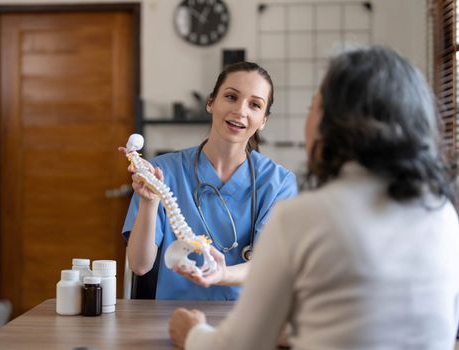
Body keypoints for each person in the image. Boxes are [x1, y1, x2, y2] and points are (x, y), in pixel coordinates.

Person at [168, 46, 459, 349]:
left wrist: (191, 332)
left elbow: (239, 345)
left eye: (313, 106)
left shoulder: (302, 217)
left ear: (334, 123)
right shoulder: (443, 215)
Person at [120, 61, 298, 300]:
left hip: (245, 321)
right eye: (231, 97)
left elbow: (270, 264)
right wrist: (149, 203)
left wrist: (220, 274)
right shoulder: (162, 173)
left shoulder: (278, 184)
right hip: (169, 319)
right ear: (210, 102)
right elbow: (140, 266)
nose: (240, 111)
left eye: (255, 105)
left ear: (263, 120)